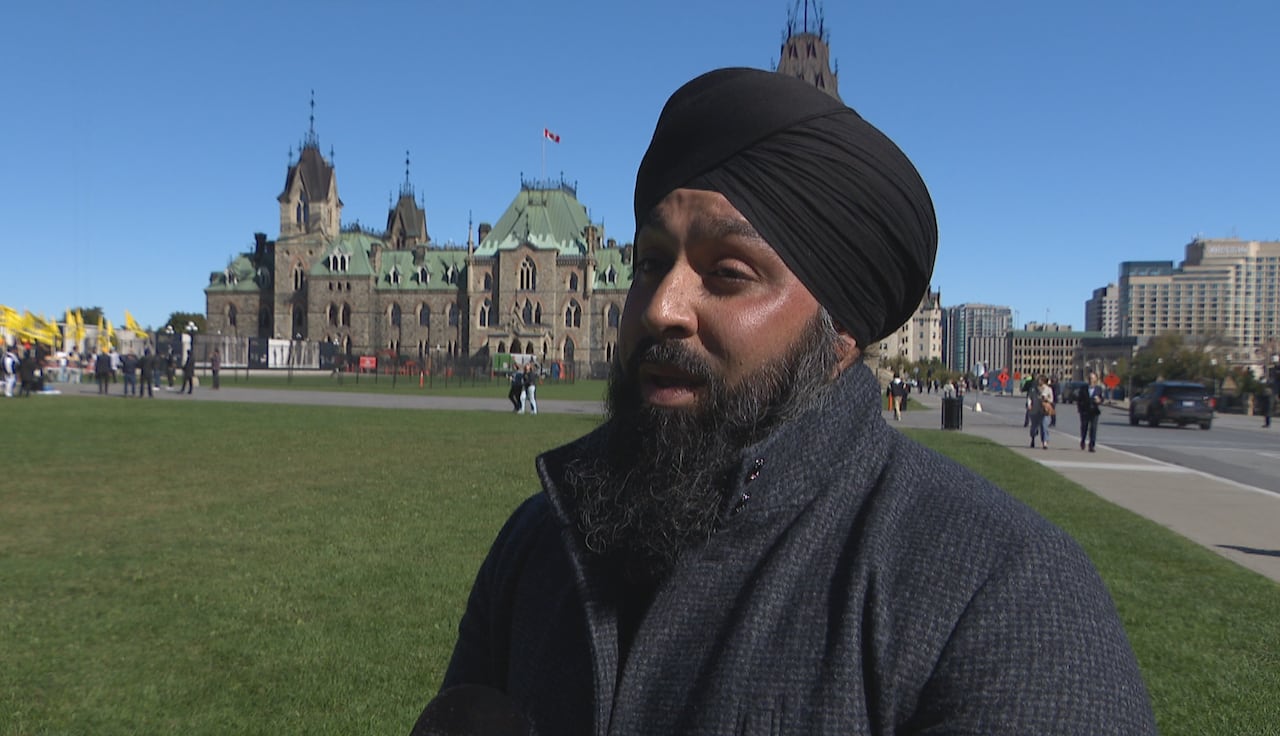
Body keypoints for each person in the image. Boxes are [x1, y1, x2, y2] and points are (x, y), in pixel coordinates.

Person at [418, 68, 1155, 735]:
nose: (660, 306)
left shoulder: (1006, 596)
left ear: (842, 332)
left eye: (728, 272)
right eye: (650, 261)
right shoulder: (540, 542)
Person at [1078, 371, 1105, 451]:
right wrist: (1080, 410)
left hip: (1094, 411)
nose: (1091, 380)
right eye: (1090, 378)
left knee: (1093, 428)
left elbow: (1102, 399)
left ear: (1096, 379)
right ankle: (1083, 440)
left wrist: (1099, 400)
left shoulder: (1099, 389)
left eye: (1093, 378)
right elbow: (1079, 400)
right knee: (1084, 428)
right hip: (1085, 411)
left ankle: (1092, 445)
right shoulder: (1083, 388)